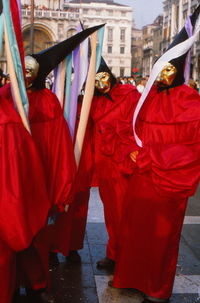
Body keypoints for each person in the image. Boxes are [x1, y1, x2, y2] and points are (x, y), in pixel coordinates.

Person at [112, 5, 200, 303]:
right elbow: (129, 129)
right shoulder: (146, 99)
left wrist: (154, 157)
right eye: (160, 68)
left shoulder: (191, 102)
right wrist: (133, 152)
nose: (163, 74)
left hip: (168, 183)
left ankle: (156, 288)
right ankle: (132, 277)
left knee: (162, 238)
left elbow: (191, 148)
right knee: (137, 231)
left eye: (169, 69)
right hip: (142, 179)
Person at [68, 58, 141, 268]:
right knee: (111, 211)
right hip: (105, 164)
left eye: (103, 77)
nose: (101, 83)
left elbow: (140, 123)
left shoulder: (129, 95)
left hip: (125, 161)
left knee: (127, 211)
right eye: (95, 81)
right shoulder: (93, 102)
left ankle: (129, 256)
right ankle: (114, 252)